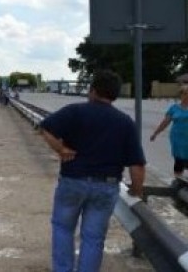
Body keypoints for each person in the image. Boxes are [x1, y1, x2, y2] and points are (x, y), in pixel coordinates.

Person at [40, 70, 146, 272]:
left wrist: (61, 149)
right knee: (93, 237)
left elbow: (45, 128)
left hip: (72, 182)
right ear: (114, 95)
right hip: (105, 187)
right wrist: (137, 190)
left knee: (63, 229)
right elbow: (137, 165)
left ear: (92, 90)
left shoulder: (75, 111)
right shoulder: (125, 122)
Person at [150, 85, 188, 178]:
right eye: (185, 93)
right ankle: (178, 181)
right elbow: (165, 122)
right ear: (181, 95)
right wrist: (155, 133)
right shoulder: (174, 108)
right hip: (177, 139)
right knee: (179, 160)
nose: (186, 96)